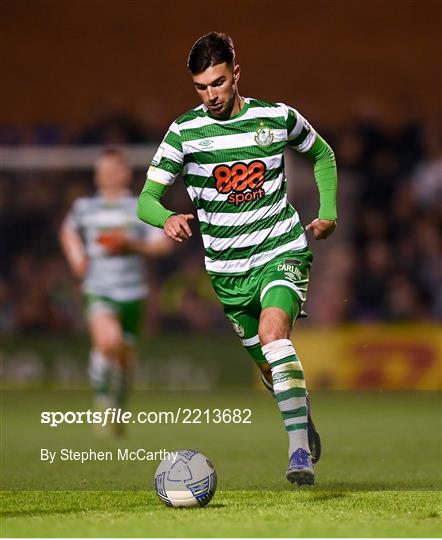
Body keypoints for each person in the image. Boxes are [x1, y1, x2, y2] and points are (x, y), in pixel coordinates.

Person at [137, 32, 337, 485]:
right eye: (201, 87)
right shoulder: (185, 132)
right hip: (228, 274)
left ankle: (298, 453)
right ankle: (299, 413)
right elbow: (145, 199)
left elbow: (322, 153)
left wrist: (328, 213)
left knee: (274, 332)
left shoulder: (275, 117)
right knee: (269, 363)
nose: (210, 95)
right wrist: (166, 218)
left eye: (218, 83)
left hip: (280, 250)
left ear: (236, 74)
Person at [60, 148, 171, 433]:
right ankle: (102, 404)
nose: (107, 175)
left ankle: (118, 409)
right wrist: (77, 257)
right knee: (108, 341)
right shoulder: (85, 207)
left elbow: (163, 245)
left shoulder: (140, 207)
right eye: (103, 170)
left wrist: (129, 245)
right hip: (99, 288)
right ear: (97, 174)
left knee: (125, 355)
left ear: (126, 173)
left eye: (113, 170)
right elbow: (68, 231)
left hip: (134, 292)